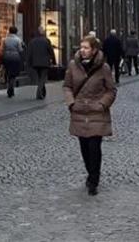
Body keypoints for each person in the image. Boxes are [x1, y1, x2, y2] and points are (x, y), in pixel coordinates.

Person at [63, 35, 117, 196]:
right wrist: (71, 102)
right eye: (82, 47)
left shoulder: (104, 68)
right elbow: (67, 86)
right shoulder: (73, 66)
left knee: (94, 146)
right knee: (84, 147)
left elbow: (111, 90)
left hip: (96, 113)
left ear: (94, 50)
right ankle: (90, 172)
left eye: (86, 47)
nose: (83, 50)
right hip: (79, 111)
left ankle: (94, 179)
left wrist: (102, 104)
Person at [26, 26, 56, 100]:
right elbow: (51, 51)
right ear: (43, 32)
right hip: (45, 62)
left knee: (40, 77)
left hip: (35, 63)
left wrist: (28, 62)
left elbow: (29, 53)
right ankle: (39, 92)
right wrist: (54, 61)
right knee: (42, 78)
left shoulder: (32, 41)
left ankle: (43, 92)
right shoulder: (46, 40)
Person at [2, 26, 24, 98]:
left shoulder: (5, 39)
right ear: (16, 32)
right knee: (13, 74)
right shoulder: (18, 40)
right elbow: (20, 50)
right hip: (15, 57)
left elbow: (3, 49)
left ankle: (9, 86)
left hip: (7, 57)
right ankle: (11, 88)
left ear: (9, 31)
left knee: (8, 72)